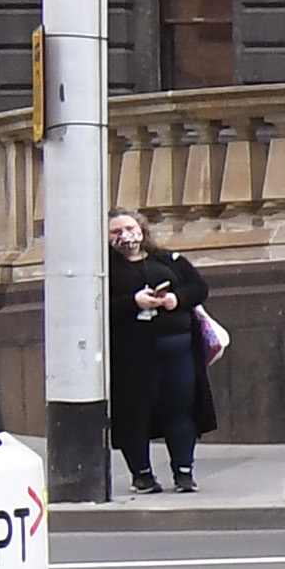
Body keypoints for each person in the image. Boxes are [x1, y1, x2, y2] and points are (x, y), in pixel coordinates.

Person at [104, 209, 216, 493]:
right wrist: (134, 302)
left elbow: (199, 288)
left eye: (129, 228)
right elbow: (98, 306)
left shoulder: (167, 260)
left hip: (177, 348)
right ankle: (142, 475)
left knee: (180, 409)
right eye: (116, 232)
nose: (125, 236)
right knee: (134, 412)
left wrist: (175, 299)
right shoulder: (106, 270)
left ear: (141, 229)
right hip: (132, 354)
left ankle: (183, 472)